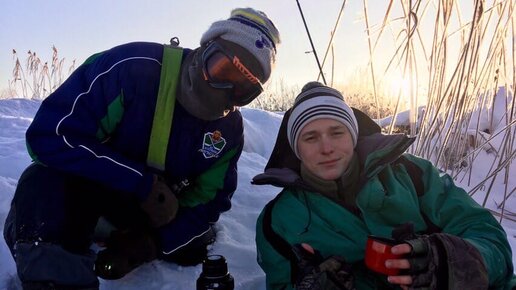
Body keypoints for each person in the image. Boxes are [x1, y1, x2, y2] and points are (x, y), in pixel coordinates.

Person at [3, 7, 280, 290]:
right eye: (221, 68)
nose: (225, 89)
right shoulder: (130, 69)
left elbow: (210, 201)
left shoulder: (228, 133)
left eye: (243, 90)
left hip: (150, 216)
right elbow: (50, 135)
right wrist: (140, 182)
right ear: (205, 48)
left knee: (192, 244)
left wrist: (150, 245)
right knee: (43, 185)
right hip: (85, 194)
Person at [253, 82, 516, 290]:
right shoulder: (277, 222)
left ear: (353, 136)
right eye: (310, 137)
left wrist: (455, 261)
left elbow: (491, 241)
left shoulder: (414, 174)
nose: (327, 148)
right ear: (296, 148)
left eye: (337, 132)